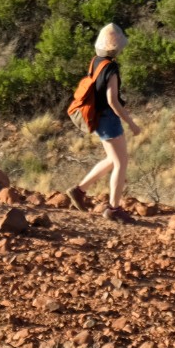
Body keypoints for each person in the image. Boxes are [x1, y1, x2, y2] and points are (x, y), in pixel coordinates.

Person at [68, 23, 142, 218]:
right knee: (121, 163)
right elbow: (113, 100)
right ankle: (114, 209)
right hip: (108, 118)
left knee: (112, 159)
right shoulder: (111, 68)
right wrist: (131, 123)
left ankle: (79, 190)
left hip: (97, 116)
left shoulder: (96, 61)